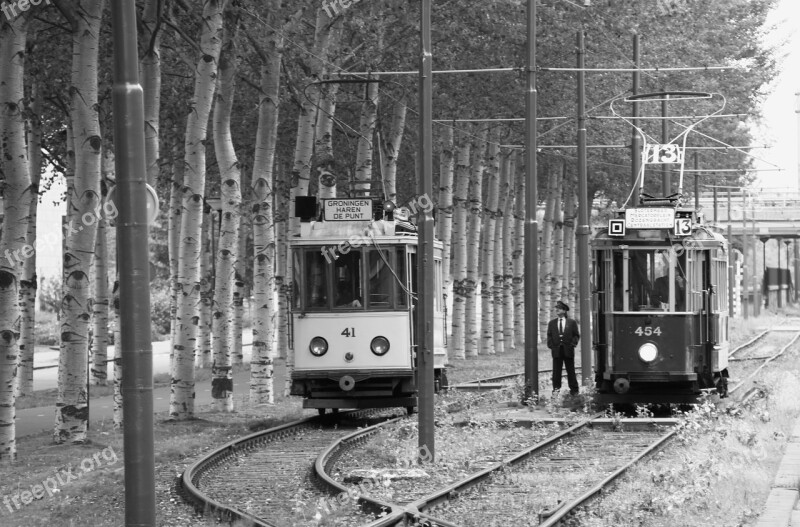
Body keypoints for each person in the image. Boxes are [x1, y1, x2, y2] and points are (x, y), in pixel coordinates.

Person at [546, 300, 580, 396]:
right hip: (556, 351)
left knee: (571, 371)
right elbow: (549, 336)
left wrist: (572, 345)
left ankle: (574, 391)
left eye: (559, 308)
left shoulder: (572, 322)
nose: (557, 310)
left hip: (568, 350)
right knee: (556, 372)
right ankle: (556, 391)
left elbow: (576, 335)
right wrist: (551, 346)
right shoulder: (552, 323)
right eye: (556, 308)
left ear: (564, 311)